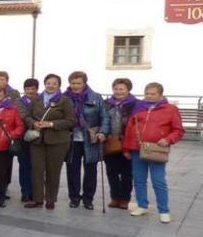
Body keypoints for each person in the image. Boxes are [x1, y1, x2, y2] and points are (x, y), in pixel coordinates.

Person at [124, 83, 184, 223]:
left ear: (161, 94)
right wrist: (126, 148)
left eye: (152, 94)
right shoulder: (138, 108)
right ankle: (142, 205)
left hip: (157, 149)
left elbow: (178, 130)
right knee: (139, 180)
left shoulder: (171, 109)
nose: (149, 96)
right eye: (147, 93)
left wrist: (168, 139)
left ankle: (164, 210)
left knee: (158, 181)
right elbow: (130, 129)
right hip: (137, 149)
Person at [25, 74, 76, 210]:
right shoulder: (37, 99)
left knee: (53, 171)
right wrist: (33, 123)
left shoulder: (65, 101)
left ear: (59, 85)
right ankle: (37, 199)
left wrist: (51, 124)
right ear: (44, 84)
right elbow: (27, 116)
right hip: (37, 140)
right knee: (37, 170)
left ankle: (50, 199)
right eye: (48, 83)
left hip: (58, 141)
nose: (51, 85)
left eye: (54, 83)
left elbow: (71, 121)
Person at [64, 71, 110, 210]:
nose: (76, 86)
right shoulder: (65, 98)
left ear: (84, 83)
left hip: (91, 138)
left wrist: (103, 132)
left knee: (90, 170)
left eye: (78, 83)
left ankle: (88, 199)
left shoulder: (95, 97)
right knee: (72, 170)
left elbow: (105, 117)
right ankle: (74, 197)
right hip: (72, 139)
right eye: (73, 83)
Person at [104, 78, 137, 209]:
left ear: (128, 90)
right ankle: (114, 197)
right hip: (110, 141)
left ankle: (124, 198)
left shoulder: (135, 104)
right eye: (116, 88)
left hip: (127, 142)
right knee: (111, 172)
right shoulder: (106, 103)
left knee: (126, 173)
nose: (118, 91)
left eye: (121, 89)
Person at [17, 79, 40, 203]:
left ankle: (36, 192)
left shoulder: (42, 100)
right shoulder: (18, 102)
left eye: (33, 88)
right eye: (28, 88)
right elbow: (21, 116)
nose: (30, 91)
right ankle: (25, 192)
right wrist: (34, 121)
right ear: (24, 89)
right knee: (24, 166)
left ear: (37, 89)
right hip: (22, 138)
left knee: (37, 167)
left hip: (38, 137)